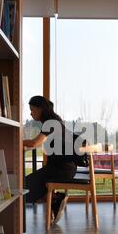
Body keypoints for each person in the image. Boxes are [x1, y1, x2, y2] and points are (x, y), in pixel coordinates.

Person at [24, 96, 76, 224]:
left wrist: (17, 142)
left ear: (40, 109)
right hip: (65, 167)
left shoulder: (50, 122)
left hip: (61, 170)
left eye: (32, 110)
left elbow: (35, 143)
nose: (31, 113)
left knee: (25, 186)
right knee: (29, 185)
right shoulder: (55, 120)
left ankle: (55, 198)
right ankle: (55, 198)